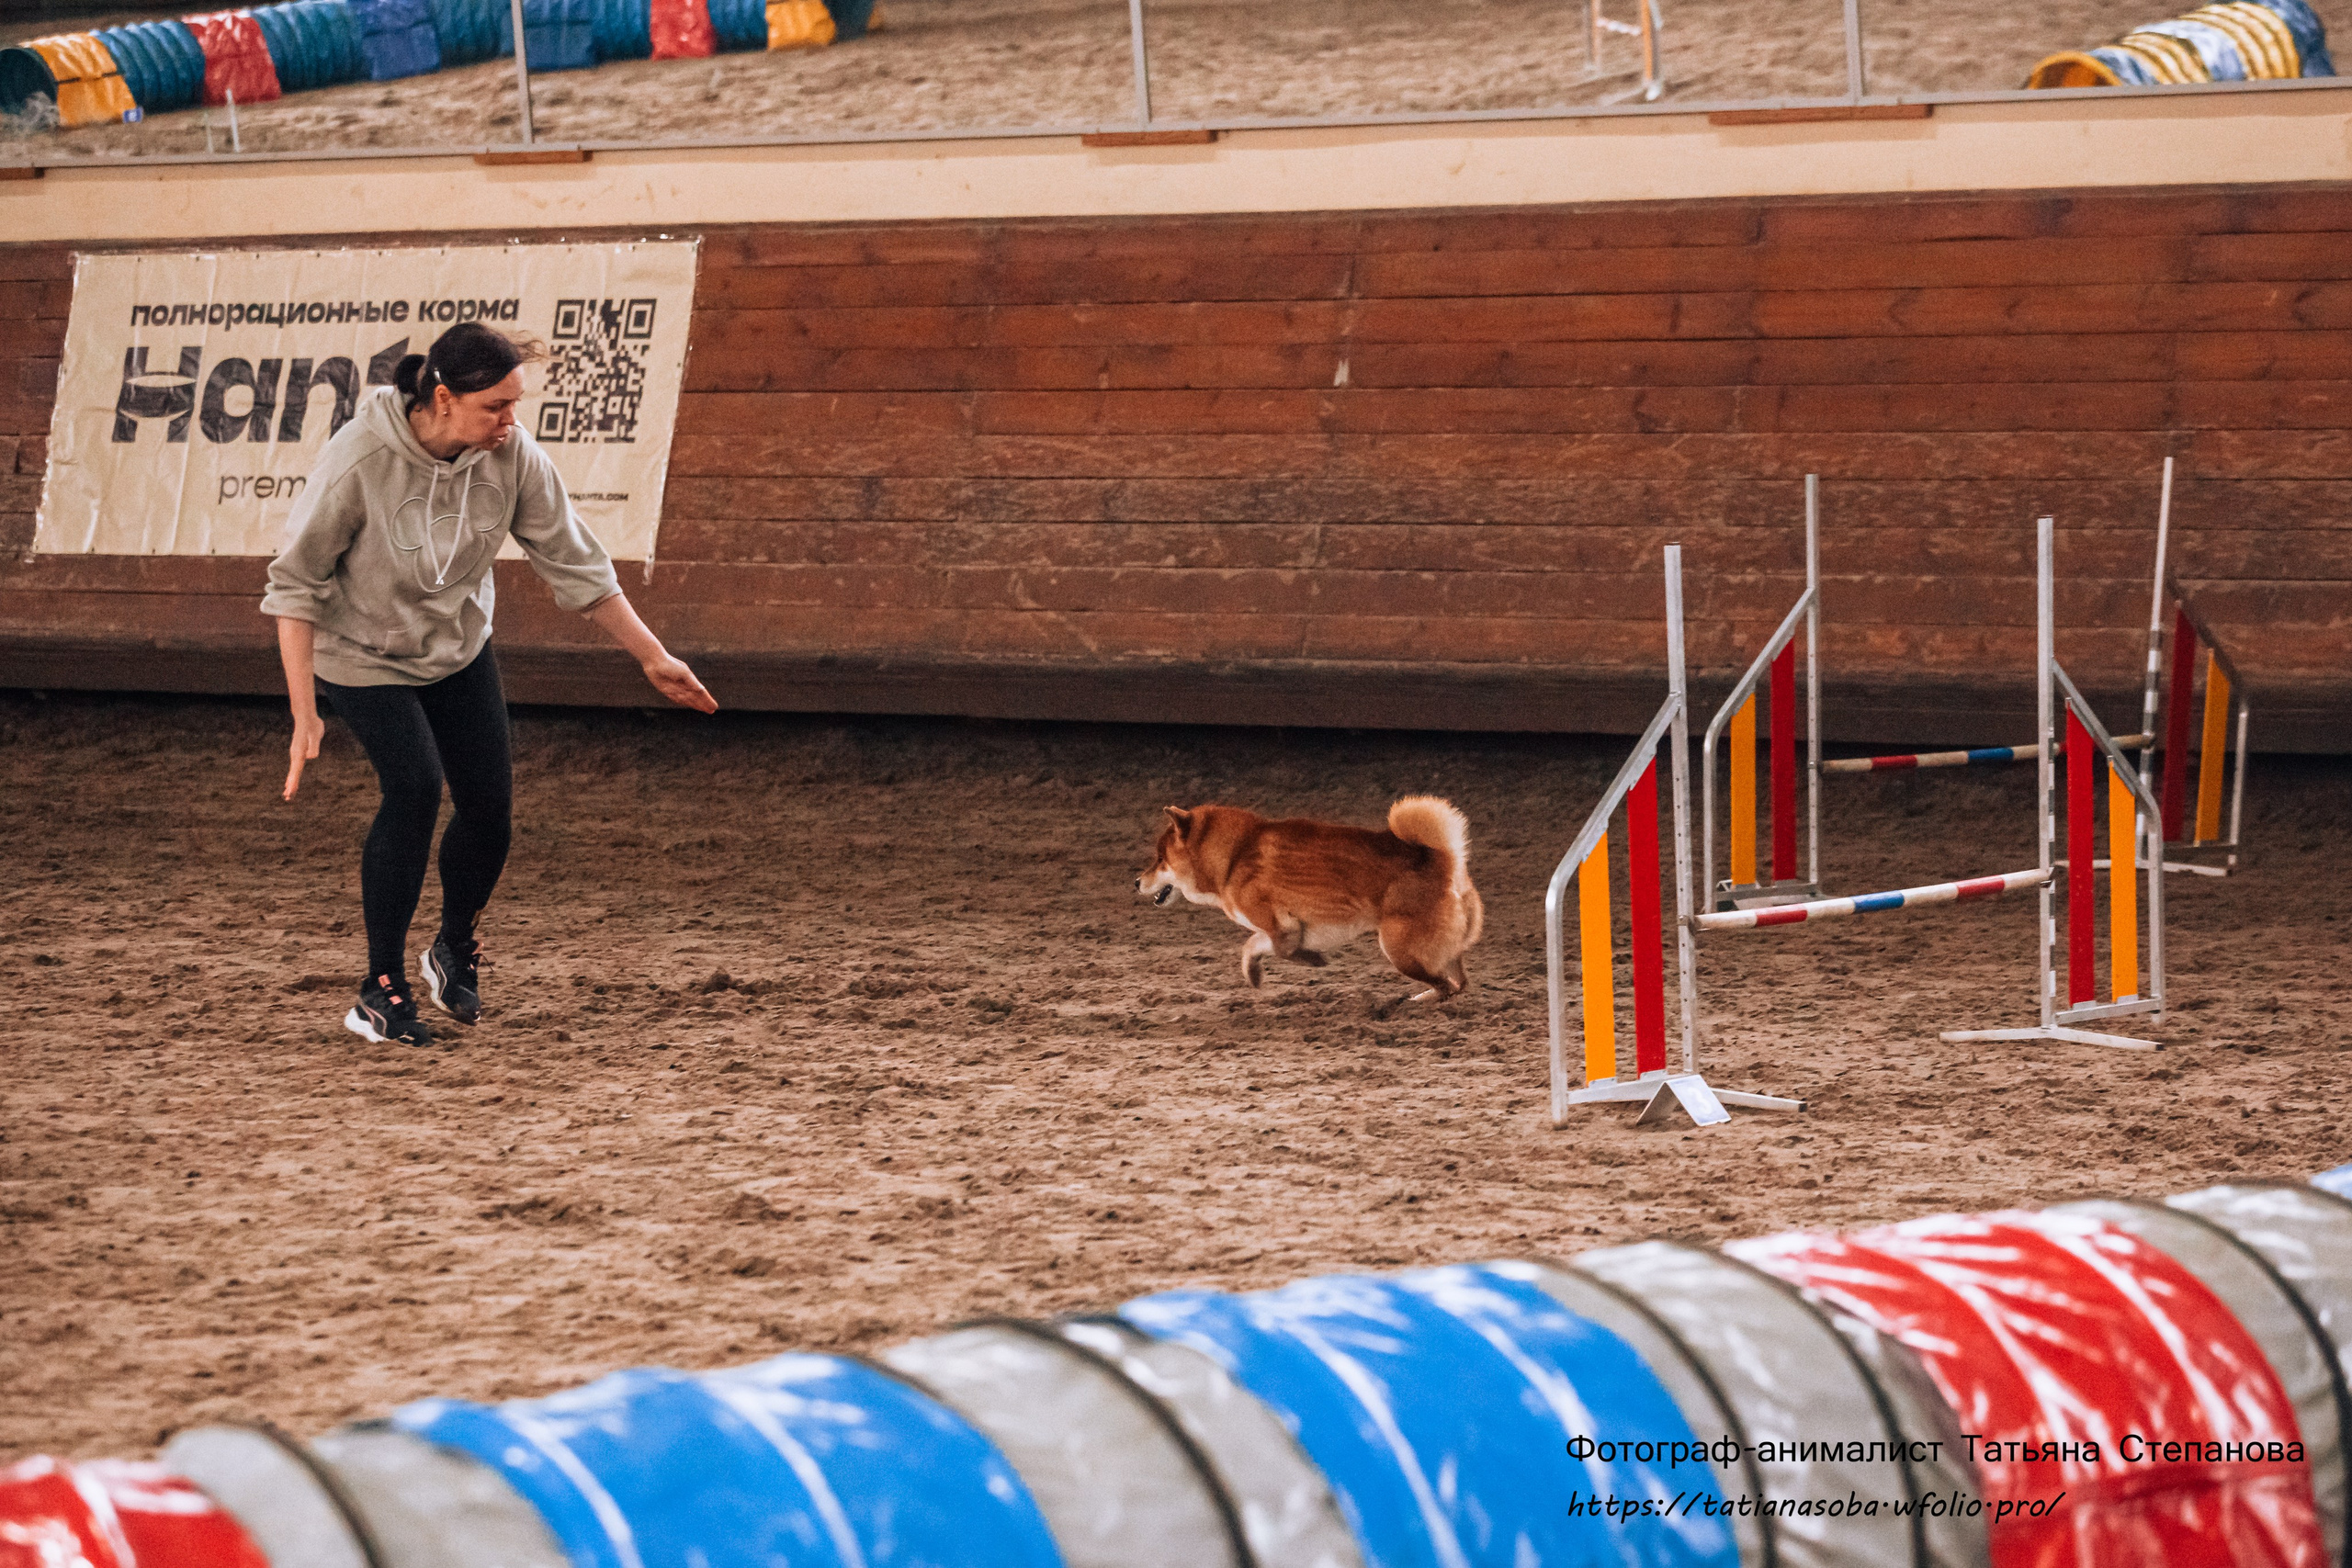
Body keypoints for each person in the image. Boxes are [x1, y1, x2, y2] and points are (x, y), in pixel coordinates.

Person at [263, 321, 716, 1048]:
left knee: (491, 813)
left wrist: (651, 656)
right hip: (361, 655)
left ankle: (450, 947)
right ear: (442, 398)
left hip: (456, 646)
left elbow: (575, 562)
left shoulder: (510, 455)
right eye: (495, 407)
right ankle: (379, 989)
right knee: (413, 787)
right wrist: (303, 711)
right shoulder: (360, 459)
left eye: (516, 405)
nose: (511, 421)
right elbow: (293, 587)